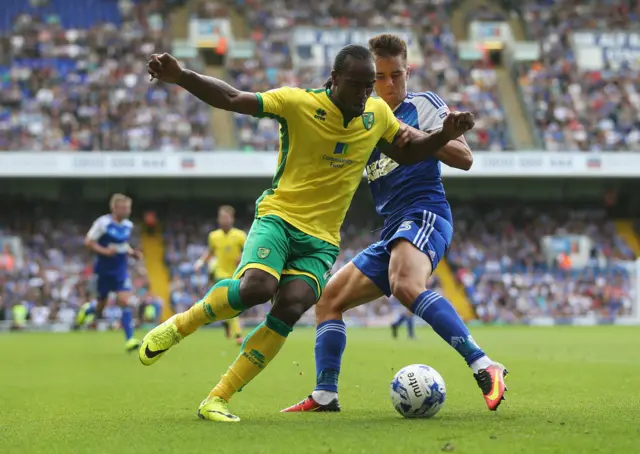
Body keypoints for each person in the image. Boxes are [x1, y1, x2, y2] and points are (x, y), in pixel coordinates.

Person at [139, 44, 475, 422]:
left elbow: (410, 151)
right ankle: (179, 325)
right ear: (334, 80)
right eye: (357, 85)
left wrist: (443, 134)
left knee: (291, 305)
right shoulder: (297, 102)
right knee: (256, 289)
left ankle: (218, 398)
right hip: (279, 218)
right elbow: (233, 97)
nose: (365, 94)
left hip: (322, 239)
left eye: (369, 86)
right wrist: (181, 76)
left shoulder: (376, 113)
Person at [282, 34, 507, 414]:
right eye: (380, 77)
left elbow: (464, 158)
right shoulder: (362, 118)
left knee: (406, 284)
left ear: (407, 72)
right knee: (328, 301)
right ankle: (325, 394)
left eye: (396, 75)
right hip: (392, 230)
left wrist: (420, 135)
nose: (389, 85)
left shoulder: (424, 104)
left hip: (425, 213)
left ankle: (484, 365)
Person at [76, 194, 143, 352]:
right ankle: (88, 309)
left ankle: (130, 340)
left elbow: (122, 243)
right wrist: (105, 251)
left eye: (129, 207)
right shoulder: (103, 223)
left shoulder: (128, 225)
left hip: (120, 269)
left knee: (124, 300)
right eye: (124, 207)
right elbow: (88, 242)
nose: (127, 211)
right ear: (114, 208)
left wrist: (132, 252)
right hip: (103, 270)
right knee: (101, 305)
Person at [194, 205, 247, 345]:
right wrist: (200, 262)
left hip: (236, 274)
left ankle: (226, 322)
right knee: (230, 303)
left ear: (232, 218)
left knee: (230, 305)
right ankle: (238, 335)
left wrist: (241, 256)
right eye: (221, 217)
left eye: (226, 217)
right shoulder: (213, 236)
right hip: (221, 273)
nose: (224, 220)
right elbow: (210, 252)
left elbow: (249, 251)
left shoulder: (240, 235)